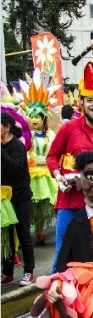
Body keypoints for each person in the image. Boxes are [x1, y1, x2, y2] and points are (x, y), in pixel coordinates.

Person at [47, 62, 93, 272]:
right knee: (63, 255)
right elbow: (52, 156)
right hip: (69, 203)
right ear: (82, 103)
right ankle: (56, 302)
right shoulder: (69, 129)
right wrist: (58, 176)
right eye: (90, 100)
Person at [17, 74, 60, 246]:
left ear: (44, 117)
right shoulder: (26, 137)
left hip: (46, 174)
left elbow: (55, 152)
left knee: (45, 206)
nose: (34, 119)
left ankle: (42, 231)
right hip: (31, 173)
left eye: (37, 116)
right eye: (31, 116)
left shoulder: (51, 135)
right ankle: (24, 233)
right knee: (31, 207)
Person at [1, 111, 34, 285]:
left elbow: (14, 168)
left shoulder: (17, 146)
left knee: (23, 234)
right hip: (4, 199)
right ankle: (7, 273)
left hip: (20, 197)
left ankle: (29, 271)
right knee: (6, 236)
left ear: (6, 127)